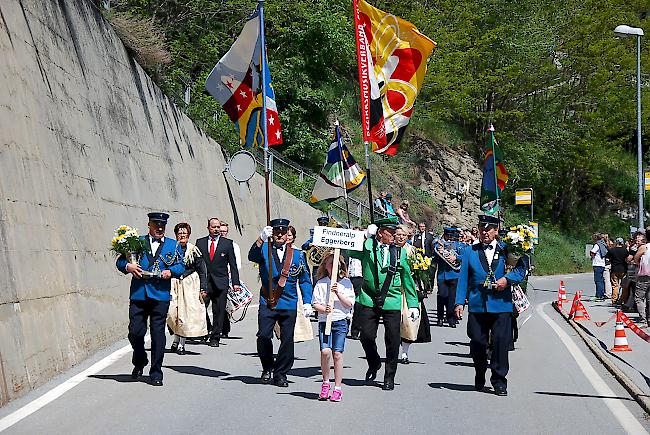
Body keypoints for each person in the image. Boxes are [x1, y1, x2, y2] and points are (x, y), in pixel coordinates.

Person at [454, 215, 528, 396]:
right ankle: (480, 371)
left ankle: (499, 380)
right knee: (478, 342)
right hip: (478, 303)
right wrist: (459, 302)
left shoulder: (507, 249)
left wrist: (507, 280)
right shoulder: (471, 251)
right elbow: (464, 277)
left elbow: (521, 270)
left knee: (500, 343)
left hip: (501, 304)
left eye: (488, 229)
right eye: (482, 229)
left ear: (495, 231)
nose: (485, 232)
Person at [347, 216, 419, 391]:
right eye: (391, 232)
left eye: (396, 232)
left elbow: (407, 279)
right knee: (366, 336)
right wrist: (364, 236)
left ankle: (389, 376)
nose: (395, 235)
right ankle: (374, 362)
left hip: (392, 300)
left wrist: (413, 303)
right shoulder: (367, 246)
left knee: (392, 340)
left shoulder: (400, 252)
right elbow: (349, 251)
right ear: (380, 233)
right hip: (368, 298)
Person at [116, 212, 185, 386]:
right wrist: (128, 266)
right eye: (156, 225)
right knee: (135, 332)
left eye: (162, 225)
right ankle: (139, 360)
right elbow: (119, 262)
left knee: (158, 334)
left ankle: (156, 372)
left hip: (160, 295)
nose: (159, 228)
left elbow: (181, 265)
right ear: (149, 225)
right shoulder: (136, 241)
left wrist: (172, 271)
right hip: (139, 293)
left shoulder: (173, 245)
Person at [249, 218, 313, 387]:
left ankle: (281, 373)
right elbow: (251, 256)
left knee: (287, 340)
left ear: (287, 235)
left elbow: (305, 280)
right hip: (268, 301)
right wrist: (261, 238)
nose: (279, 234)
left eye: (282, 232)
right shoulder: (264, 249)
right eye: (276, 231)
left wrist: (307, 302)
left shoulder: (298, 255)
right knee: (263, 335)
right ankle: (267, 367)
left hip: (289, 302)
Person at [312, 251, 355, 402]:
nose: (332, 267)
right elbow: (315, 303)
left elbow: (349, 304)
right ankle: (325, 383)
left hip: (340, 321)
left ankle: (337, 387)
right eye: (330, 264)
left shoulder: (346, 283)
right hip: (325, 322)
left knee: (337, 354)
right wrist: (323, 309)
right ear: (325, 266)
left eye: (335, 264)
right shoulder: (321, 283)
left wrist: (338, 293)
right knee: (325, 351)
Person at [196, 218, 241, 347]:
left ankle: (215, 337)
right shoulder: (200, 243)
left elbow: (233, 264)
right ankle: (206, 329)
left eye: (218, 227)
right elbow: (196, 262)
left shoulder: (227, 244)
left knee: (219, 310)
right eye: (213, 227)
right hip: (204, 282)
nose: (216, 229)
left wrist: (235, 283)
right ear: (208, 228)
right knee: (200, 307)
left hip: (221, 282)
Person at [167, 223, 208, 355]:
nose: (182, 235)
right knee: (171, 312)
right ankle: (176, 337)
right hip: (173, 283)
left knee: (185, 314)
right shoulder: (171, 249)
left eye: (185, 233)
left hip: (189, 285)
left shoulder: (194, 250)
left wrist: (203, 288)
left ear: (189, 235)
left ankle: (181, 344)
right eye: (180, 233)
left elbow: (202, 269)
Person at [395, 225, 431, 364]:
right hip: (393, 289)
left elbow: (418, 271)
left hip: (408, 290)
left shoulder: (412, 251)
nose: (400, 237)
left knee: (409, 322)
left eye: (403, 235)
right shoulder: (389, 249)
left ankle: (404, 352)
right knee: (393, 322)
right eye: (398, 234)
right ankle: (392, 349)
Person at [433, 227, 466, 328]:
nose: (449, 238)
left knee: (452, 298)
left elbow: (464, 256)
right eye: (448, 236)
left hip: (454, 274)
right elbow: (435, 257)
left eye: (451, 236)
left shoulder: (459, 246)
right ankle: (440, 317)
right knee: (442, 296)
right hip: (442, 275)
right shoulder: (439, 245)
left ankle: (451, 318)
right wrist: (439, 252)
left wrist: (455, 257)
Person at [218, 222, 241, 339]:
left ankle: (224, 329)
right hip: (213, 278)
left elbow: (236, 265)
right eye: (220, 230)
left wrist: (234, 281)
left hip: (227, 278)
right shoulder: (213, 243)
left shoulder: (232, 245)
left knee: (224, 305)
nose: (222, 233)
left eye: (224, 231)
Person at [302, 216, 331, 283]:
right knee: (316, 283)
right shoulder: (315, 236)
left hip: (328, 263)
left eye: (324, 225)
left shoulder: (331, 237)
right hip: (317, 265)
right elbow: (304, 246)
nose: (323, 226)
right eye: (321, 224)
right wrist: (311, 244)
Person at [348, 227, 364, 340]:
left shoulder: (365, 248)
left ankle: (355, 330)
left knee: (358, 305)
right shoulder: (346, 248)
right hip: (346, 278)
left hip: (360, 278)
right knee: (344, 303)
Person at [633, 227, 650, 327]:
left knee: (639, 298)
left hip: (644, 275)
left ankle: (643, 320)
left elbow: (635, 258)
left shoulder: (644, 247)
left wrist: (639, 264)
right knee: (649, 298)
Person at [413, 222, 435, 294]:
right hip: (419, 258)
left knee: (429, 274)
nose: (421, 228)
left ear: (425, 227)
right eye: (420, 226)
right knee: (419, 274)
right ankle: (420, 288)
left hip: (427, 257)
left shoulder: (429, 236)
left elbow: (432, 247)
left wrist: (431, 256)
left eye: (423, 226)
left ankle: (428, 288)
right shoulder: (416, 237)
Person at [606, 237, 628, 305]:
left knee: (615, 285)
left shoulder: (611, 250)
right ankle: (622, 300)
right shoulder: (625, 251)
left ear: (616, 242)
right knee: (624, 286)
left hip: (614, 269)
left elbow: (607, 259)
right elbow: (627, 259)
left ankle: (614, 300)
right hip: (623, 269)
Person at [590, 233, 607, 301]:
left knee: (598, 281)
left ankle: (599, 295)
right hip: (602, 264)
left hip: (597, 264)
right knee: (601, 280)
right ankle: (602, 294)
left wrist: (592, 256)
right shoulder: (603, 244)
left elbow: (592, 252)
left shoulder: (597, 245)